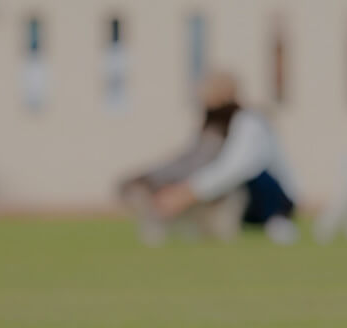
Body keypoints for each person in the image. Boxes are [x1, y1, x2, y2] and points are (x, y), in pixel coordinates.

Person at [119, 71, 297, 245]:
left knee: (249, 177)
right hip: (234, 198)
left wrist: (183, 195)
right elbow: (190, 160)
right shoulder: (212, 125)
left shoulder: (249, 122)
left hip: (270, 198)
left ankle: (276, 222)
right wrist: (152, 177)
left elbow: (234, 168)